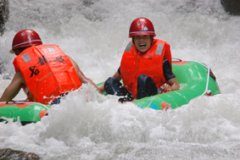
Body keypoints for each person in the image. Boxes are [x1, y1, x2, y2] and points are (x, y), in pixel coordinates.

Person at [0, 29, 98, 104]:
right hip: (78, 100)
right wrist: (99, 94)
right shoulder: (65, 58)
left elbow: (3, 102)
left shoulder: (21, 73)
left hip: (53, 109)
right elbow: (85, 81)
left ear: (18, 51)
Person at [100, 17, 180, 102]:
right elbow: (115, 78)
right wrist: (100, 89)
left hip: (150, 96)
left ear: (151, 39)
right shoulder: (129, 58)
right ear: (133, 40)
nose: (141, 40)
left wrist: (170, 89)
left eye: (145, 37)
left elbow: (176, 84)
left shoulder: (162, 62)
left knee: (143, 79)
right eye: (138, 37)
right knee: (109, 82)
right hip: (130, 97)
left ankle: (136, 103)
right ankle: (125, 103)